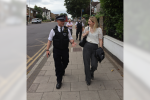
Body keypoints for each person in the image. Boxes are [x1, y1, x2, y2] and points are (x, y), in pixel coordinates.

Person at [46, 15, 77, 89]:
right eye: (61, 21)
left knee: (66, 62)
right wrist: (47, 50)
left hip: (65, 50)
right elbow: (49, 40)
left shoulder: (67, 29)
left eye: (63, 21)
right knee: (57, 66)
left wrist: (72, 42)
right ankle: (59, 81)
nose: (63, 22)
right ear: (57, 21)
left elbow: (70, 37)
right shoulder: (53, 30)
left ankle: (62, 69)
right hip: (56, 51)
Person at [82, 16, 103, 85]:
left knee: (94, 64)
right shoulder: (86, 28)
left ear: (93, 22)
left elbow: (100, 39)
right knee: (87, 64)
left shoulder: (99, 30)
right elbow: (83, 35)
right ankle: (88, 79)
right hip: (87, 47)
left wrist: (101, 48)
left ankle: (91, 72)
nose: (88, 23)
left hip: (95, 48)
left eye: (89, 21)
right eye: (88, 21)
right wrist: (86, 33)